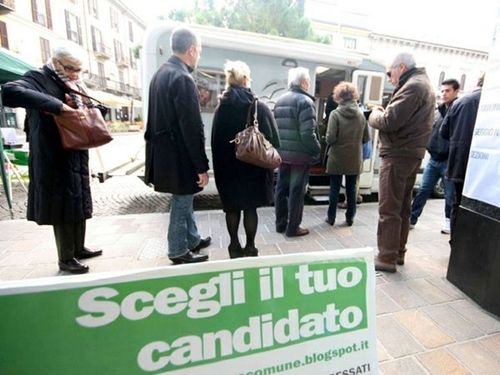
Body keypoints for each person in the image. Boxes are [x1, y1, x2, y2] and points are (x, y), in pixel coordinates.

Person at [1, 44, 103, 274]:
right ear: (55, 62)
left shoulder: (71, 81)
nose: (75, 74)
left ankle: (78, 247)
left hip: (75, 149)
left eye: (79, 70)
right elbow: (10, 91)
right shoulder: (37, 77)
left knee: (78, 199)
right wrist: (58, 106)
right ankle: (66, 258)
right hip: (53, 154)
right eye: (70, 68)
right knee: (63, 204)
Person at [144, 27, 211, 265]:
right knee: (182, 202)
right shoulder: (182, 78)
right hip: (179, 155)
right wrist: (201, 166)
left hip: (164, 154)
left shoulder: (161, 74)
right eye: (199, 51)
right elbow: (192, 127)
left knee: (185, 197)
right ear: (191, 50)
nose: (199, 55)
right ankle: (177, 250)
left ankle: (192, 239)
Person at [368, 51, 436, 273]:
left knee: (389, 208)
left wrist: (374, 113)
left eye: (390, 72)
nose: (389, 77)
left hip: (398, 154)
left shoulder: (413, 86)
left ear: (401, 68)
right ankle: (397, 252)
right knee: (402, 208)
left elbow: (389, 121)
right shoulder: (421, 84)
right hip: (410, 154)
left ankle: (386, 257)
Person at [211, 61, 280, 258]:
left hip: (228, 169)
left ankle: (234, 245)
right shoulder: (258, 106)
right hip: (254, 168)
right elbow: (275, 139)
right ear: (245, 80)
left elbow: (216, 141)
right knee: (250, 208)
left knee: (232, 208)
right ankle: (250, 246)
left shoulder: (220, 108)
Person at [273, 67, 321, 237]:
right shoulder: (305, 102)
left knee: (280, 189)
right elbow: (307, 133)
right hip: (300, 156)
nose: (309, 84)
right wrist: (317, 149)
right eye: (308, 81)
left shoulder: (280, 100)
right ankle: (293, 228)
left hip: (282, 155)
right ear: (302, 83)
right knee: (296, 192)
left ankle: (280, 224)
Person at [410, 78, 460, 233]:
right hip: (433, 159)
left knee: (450, 195)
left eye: (448, 90)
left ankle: (448, 221)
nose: (444, 94)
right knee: (423, 189)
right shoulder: (437, 112)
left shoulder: (459, 110)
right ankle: (412, 218)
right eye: (443, 90)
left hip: (448, 160)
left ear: (456, 91)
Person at [440, 74, 484, 243]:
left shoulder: (461, 102)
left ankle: (456, 243)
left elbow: (444, 132)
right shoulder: (489, 102)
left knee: (458, 203)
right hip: (482, 166)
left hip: (459, 163)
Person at [324, 82, 370, 226]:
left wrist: (325, 138)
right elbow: (366, 138)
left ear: (339, 96)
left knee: (334, 188)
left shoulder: (335, 114)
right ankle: (350, 218)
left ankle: (331, 218)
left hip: (337, 157)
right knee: (351, 189)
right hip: (354, 157)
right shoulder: (361, 116)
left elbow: (331, 138)